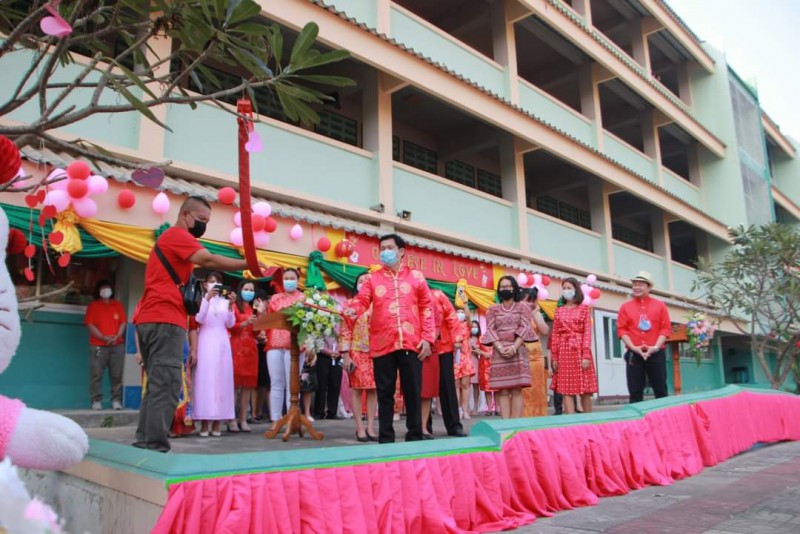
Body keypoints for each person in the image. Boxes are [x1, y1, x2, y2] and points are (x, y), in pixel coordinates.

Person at [133, 196, 261, 452]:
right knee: (167, 384)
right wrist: (248, 264)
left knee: (156, 384)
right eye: (201, 219)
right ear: (185, 215)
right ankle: (155, 445)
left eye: (207, 221)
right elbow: (209, 260)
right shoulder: (177, 236)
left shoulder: (169, 240)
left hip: (150, 318)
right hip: (165, 318)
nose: (204, 225)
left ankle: (145, 440)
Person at [344, 234, 434, 444]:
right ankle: (385, 438)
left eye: (390, 248)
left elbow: (427, 308)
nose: (385, 252)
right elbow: (362, 301)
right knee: (385, 393)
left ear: (401, 251)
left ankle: (415, 436)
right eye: (382, 248)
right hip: (382, 344)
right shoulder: (372, 279)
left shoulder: (417, 277)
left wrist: (428, 338)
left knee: (413, 392)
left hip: (412, 343)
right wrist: (352, 310)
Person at [482, 275, 536, 419]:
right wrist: (500, 348)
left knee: (517, 390)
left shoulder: (523, 307)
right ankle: (505, 423)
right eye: (502, 287)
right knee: (503, 390)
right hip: (499, 352)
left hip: (517, 351)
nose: (504, 289)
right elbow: (490, 329)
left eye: (507, 286)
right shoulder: (492, 309)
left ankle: (516, 423)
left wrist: (514, 348)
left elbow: (525, 327)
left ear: (514, 288)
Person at [192, 272, 236, 436]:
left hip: (222, 343)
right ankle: (204, 423)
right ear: (205, 284)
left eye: (217, 281)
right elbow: (199, 319)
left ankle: (217, 422)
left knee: (221, 381)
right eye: (211, 281)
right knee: (205, 381)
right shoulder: (201, 300)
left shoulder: (225, 302)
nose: (214, 284)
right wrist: (207, 299)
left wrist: (231, 306)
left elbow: (230, 323)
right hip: (205, 343)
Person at [617, 271, 671, 403]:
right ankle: (636, 416)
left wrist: (655, 347)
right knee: (635, 391)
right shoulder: (625, 307)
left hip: (656, 352)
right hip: (634, 353)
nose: (636, 287)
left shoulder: (660, 305)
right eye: (634, 284)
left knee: (660, 390)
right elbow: (621, 329)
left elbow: (665, 329)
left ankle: (662, 414)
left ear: (649, 287)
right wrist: (633, 347)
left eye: (641, 284)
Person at [265, 268, 306, 429]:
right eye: (286, 278)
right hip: (274, 343)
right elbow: (268, 320)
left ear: (298, 280)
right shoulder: (275, 298)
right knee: (276, 383)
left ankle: (292, 419)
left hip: (294, 346)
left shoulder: (304, 299)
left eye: (292, 278)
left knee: (292, 386)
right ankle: (275, 420)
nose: (289, 281)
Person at [549, 278, 598, 414]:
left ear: (576, 290)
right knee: (566, 389)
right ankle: (571, 420)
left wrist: (586, 354)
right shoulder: (559, 311)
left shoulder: (584, 309)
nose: (566, 291)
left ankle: (588, 420)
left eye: (569, 288)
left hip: (580, 349)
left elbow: (587, 332)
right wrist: (554, 356)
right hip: (564, 351)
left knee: (585, 389)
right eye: (564, 288)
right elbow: (555, 335)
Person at [339, 272, 378, 442]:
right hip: (356, 351)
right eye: (360, 281)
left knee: (373, 389)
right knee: (356, 388)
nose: (363, 283)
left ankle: (370, 426)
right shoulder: (350, 304)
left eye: (367, 281)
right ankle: (359, 427)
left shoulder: (379, 304)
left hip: (376, 352)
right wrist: (346, 355)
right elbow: (345, 330)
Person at [425, 289, 466, 438]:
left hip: (444, 347)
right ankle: (424, 427)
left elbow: (451, 317)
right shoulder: (412, 294)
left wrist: (457, 338)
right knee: (424, 389)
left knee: (448, 388)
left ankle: (454, 426)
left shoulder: (438, 295)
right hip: (423, 348)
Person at [84, 279, 126, 410]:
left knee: (117, 374)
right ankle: (96, 400)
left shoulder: (117, 305)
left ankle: (116, 400)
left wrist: (117, 336)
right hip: (98, 345)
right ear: (99, 291)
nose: (106, 291)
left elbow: (123, 323)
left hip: (117, 345)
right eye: (103, 288)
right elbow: (90, 324)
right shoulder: (93, 306)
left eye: (108, 288)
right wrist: (102, 337)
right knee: (96, 374)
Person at [230, 280, 261, 432]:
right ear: (240, 289)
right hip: (236, 348)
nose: (249, 292)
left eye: (251, 290)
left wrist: (260, 314)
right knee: (234, 385)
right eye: (246, 289)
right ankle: (231, 419)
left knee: (247, 386)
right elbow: (231, 326)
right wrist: (245, 323)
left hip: (250, 349)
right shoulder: (233, 306)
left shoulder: (252, 309)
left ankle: (243, 419)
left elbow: (257, 332)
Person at [520, 287, 550, 417]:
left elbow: (545, 330)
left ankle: (539, 415)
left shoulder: (536, 312)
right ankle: (524, 415)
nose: (530, 303)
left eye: (533, 300)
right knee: (524, 388)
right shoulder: (517, 313)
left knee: (537, 386)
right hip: (522, 353)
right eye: (527, 300)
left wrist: (534, 314)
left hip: (536, 355)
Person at [314, 334, 343, 421]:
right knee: (321, 384)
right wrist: (327, 351)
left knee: (335, 383)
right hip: (323, 355)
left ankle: (332, 412)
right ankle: (319, 412)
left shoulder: (341, 325)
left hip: (337, 356)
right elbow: (317, 339)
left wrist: (340, 351)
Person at [454, 308, 476, 419]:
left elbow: (468, 316)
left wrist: (465, 303)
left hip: (465, 356)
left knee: (465, 384)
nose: (460, 314)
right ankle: (458, 410)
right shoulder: (451, 325)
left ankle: (465, 410)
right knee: (456, 384)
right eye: (458, 312)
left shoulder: (467, 325)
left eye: (462, 312)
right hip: (454, 357)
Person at [469, 320, 491, 415]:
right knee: (465, 386)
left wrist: (476, 350)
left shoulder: (481, 338)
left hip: (476, 362)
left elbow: (483, 351)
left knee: (475, 386)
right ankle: (466, 407)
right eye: (472, 327)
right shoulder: (466, 337)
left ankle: (475, 407)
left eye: (476, 327)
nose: (474, 329)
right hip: (466, 361)